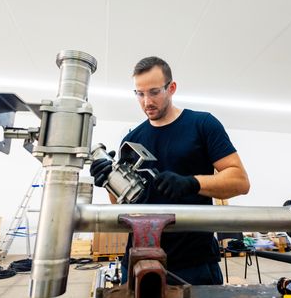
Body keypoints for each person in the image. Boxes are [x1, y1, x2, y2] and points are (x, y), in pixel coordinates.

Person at [90, 56, 250, 285]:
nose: (147, 102)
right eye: (140, 93)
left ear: (171, 88)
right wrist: (108, 179)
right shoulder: (131, 139)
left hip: (194, 264)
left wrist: (192, 183)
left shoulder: (202, 124)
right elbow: (121, 205)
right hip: (138, 261)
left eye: (154, 92)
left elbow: (240, 181)